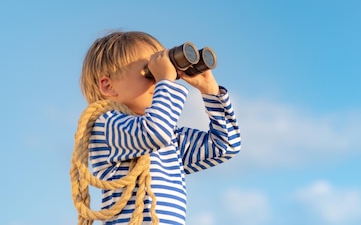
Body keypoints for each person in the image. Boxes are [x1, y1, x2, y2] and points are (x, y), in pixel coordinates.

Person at [72, 30, 241, 225]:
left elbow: (226, 146)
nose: (159, 78)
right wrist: (165, 81)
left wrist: (210, 90)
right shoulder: (108, 124)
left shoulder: (168, 137)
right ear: (109, 86)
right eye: (149, 72)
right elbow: (154, 133)